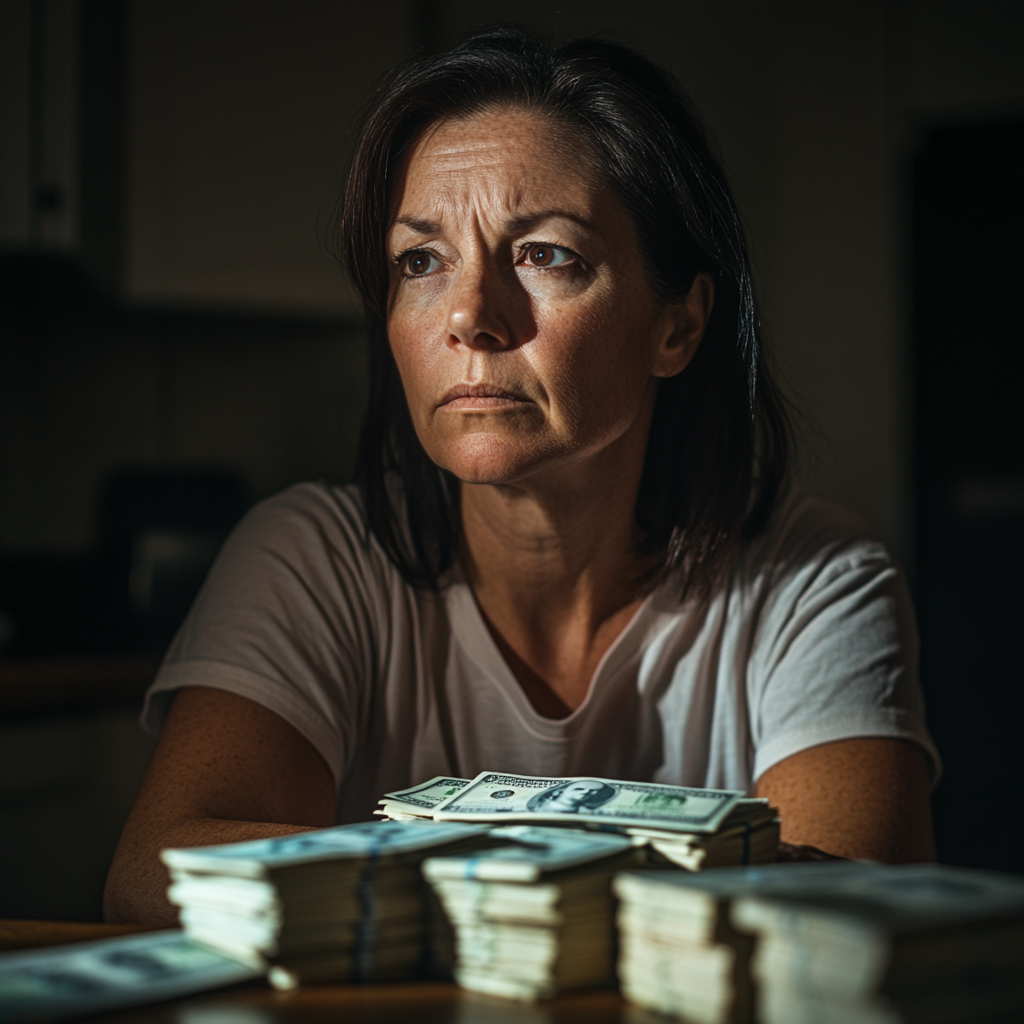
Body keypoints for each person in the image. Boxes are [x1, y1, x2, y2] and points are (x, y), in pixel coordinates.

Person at [105, 28, 938, 926]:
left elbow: (849, 923)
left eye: (545, 254)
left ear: (678, 327)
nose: (469, 315)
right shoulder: (311, 557)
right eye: (420, 261)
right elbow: (153, 879)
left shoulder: (817, 581)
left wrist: (405, 889)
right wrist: (564, 880)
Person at [526, 780, 617, 814]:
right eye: (579, 789)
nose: (586, 792)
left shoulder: (589, 813)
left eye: (593, 791)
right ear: (559, 791)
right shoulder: (536, 805)